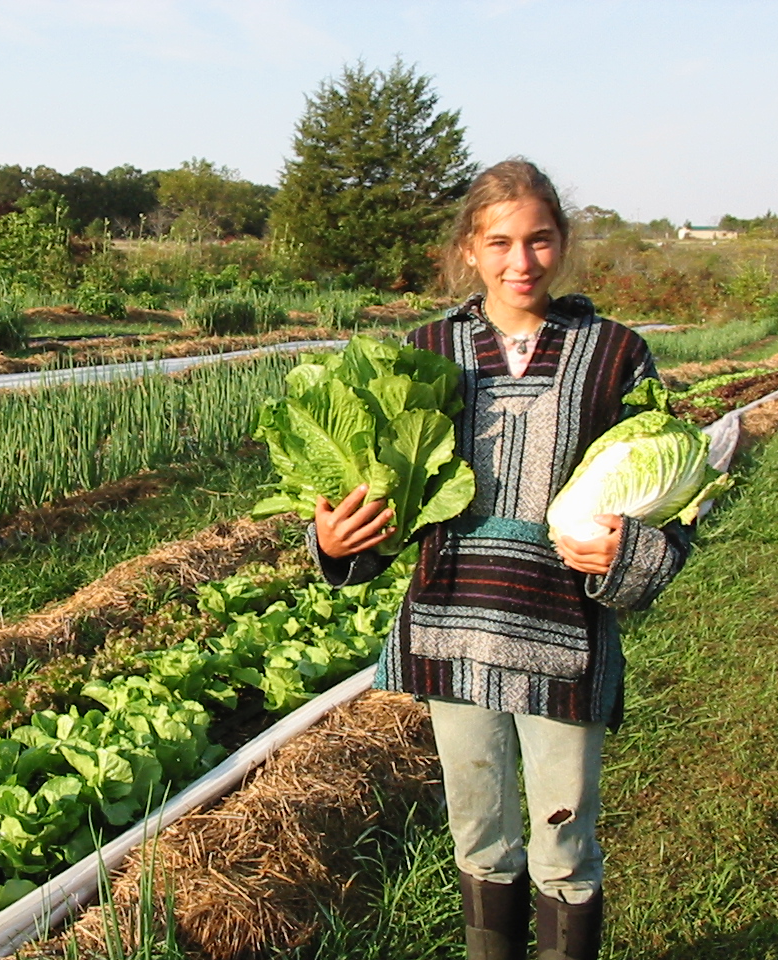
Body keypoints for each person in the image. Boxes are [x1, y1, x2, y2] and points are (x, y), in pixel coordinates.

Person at [309, 159, 690, 960]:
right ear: (470, 250)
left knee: (565, 846)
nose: (523, 261)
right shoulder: (424, 351)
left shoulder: (614, 353)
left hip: (563, 634)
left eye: (540, 240)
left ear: (563, 243)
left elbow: (676, 502)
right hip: (452, 631)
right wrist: (336, 545)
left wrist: (633, 552)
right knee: (479, 836)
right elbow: (380, 499)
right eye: (502, 242)